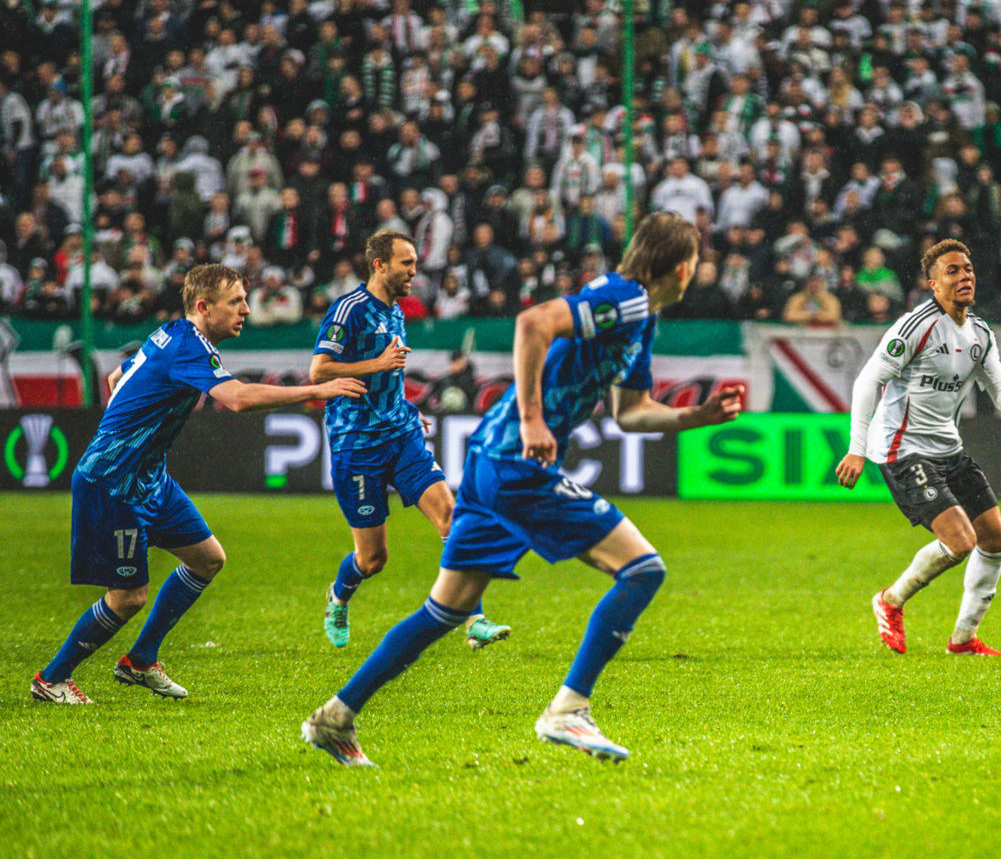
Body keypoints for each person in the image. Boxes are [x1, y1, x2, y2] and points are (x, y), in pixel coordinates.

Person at [302, 214, 744, 766]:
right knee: (643, 569)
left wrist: (698, 415)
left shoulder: (642, 320)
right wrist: (534, 419)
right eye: (696, 263)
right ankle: (568, 710)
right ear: (682, 267)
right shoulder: (624, 298)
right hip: (517, 461)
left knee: (444, 610)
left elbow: (631, 413)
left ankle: (335, 717)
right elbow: (533, 322)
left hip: (491, 462)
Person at [32, 265, 365, 704]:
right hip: (113, 482)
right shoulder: (188, 345)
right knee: (129, 596)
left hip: (149, 477)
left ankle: (141, 661)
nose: (246, 309)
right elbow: (239, 398)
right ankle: (52, 678)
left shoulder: (172, 334)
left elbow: (117, 377)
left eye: (245, 300)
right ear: (204, 307)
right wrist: (314, 392)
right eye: (236, 302)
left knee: (207, 559)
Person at [835, 239, 1001, 657]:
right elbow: (868, 381)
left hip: (949, 450)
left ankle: (963, 639)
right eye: (952, 271)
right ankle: (890, 600)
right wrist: (857, 448)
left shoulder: (981, 333)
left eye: (967, 269)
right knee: (960, 539)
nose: (964, 276)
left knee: (996, 538)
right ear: (933, 284)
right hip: (903, 449)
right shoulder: (915, 326)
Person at [311, 233, 510, 651]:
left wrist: (404, 407)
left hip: (401, 435)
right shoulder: (349, 310)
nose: (414, 272)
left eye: (415, 263)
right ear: (379, 265)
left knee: (452, 517)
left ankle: (473, 619)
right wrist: (376, 363)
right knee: (372, 559)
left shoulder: (397, 313)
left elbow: (390, 378)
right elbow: (319, 371)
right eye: (406, 263)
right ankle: (339, 594)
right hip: (356, 445)